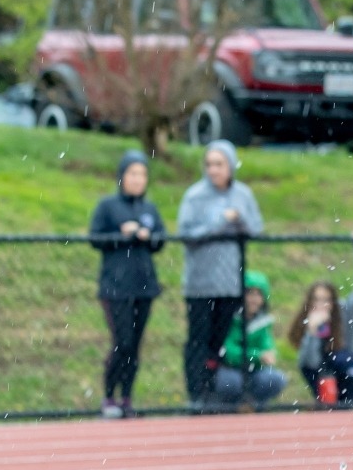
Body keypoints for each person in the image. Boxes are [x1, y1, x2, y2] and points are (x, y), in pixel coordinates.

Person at [177, 140, 263, 409]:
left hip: (229, 282)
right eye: (209, 164)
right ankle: (196, 393)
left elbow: (256, 228)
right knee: (198, 339)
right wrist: (219, 223)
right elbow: (186, 233)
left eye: (219, 164)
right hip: (201, 283)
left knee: (218, 340)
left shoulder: (243, 195)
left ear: (230, 166)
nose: (214, 170)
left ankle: (212, 388)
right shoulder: (195, 196)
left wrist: (239, 220)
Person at [89, 150, 165, 418]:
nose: (137, 179)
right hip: (116, 287)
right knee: (122, 341)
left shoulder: (149, 208)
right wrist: (121, 235)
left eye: (142, 174)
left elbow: (161, 240)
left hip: (144, 286)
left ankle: (127, 398)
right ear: (122, 176)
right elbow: (95, 238)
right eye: (132, 173)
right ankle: (109, 396)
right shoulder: (108, 206)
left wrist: (148, 236)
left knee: (135, 345)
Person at [289, 229, 353, 405]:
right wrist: (312, 332)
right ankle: (328, 404)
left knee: (344, 360)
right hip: (324, 376)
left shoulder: (345, 311)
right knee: (322, 366)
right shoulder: (307, 322)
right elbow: (309, 363)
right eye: (317, 300)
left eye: (326, 300)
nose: (322, 305)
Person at [213, 270, 287, 411]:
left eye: (259, 294)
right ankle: (230, 410)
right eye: (249, 293)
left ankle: (256, 408)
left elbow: (268, 346)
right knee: (231, 383)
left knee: (275, 379)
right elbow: (229, 351)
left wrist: (270, 355)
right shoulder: (230, 320)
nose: (254, 299)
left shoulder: (263, 322)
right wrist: (257, 356)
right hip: (231, 369)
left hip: (254, 371)